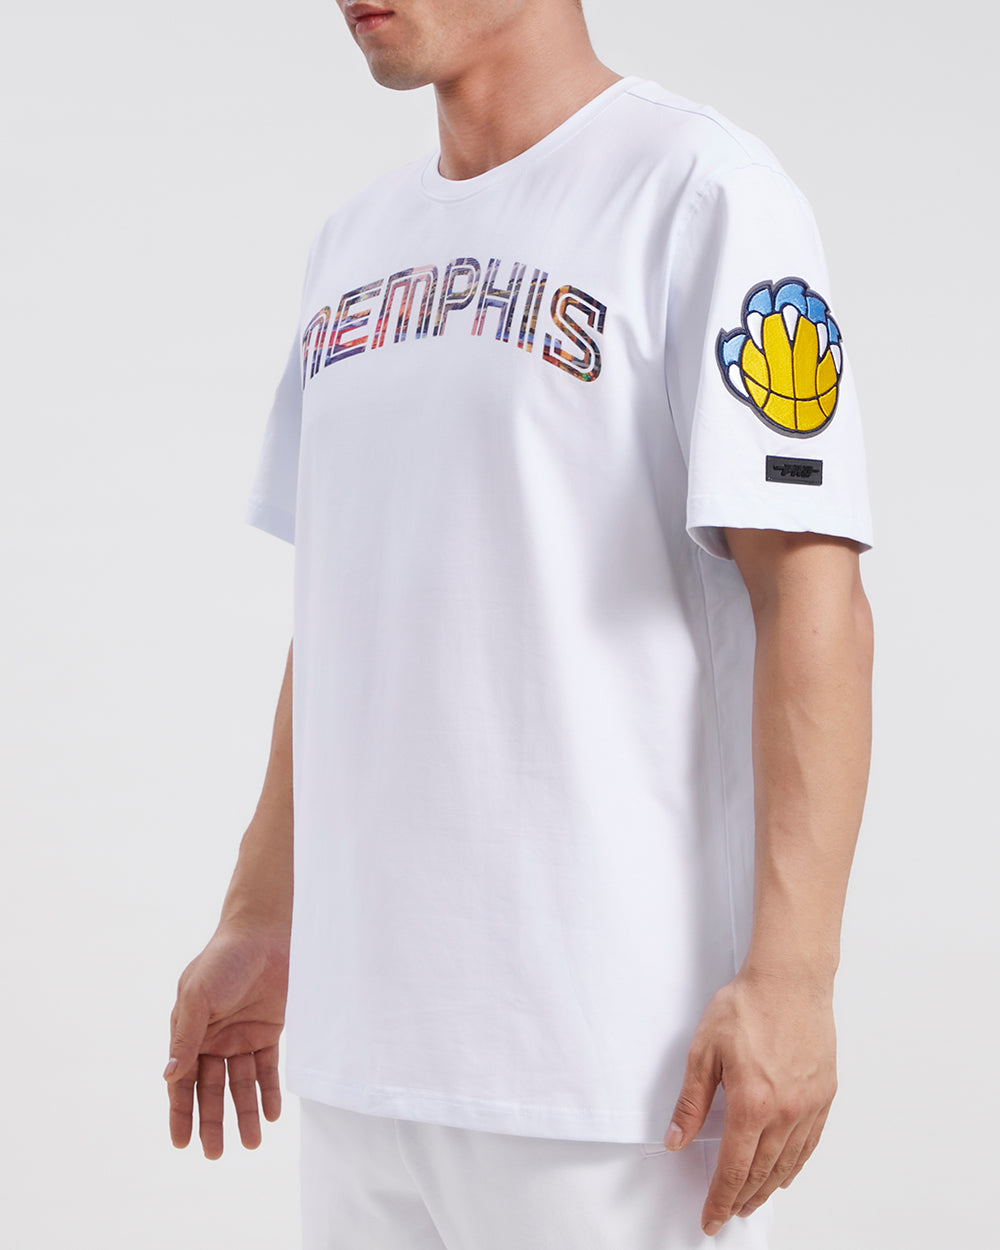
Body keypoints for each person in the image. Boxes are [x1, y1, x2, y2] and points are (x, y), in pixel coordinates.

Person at [164, 1, 874, 1246]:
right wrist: (261, 916)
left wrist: (794, 974)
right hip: (362, 1062)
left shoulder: (698, 192)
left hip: (612, 1074)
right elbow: (344, 610)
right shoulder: (352, 244)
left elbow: (808, 589)